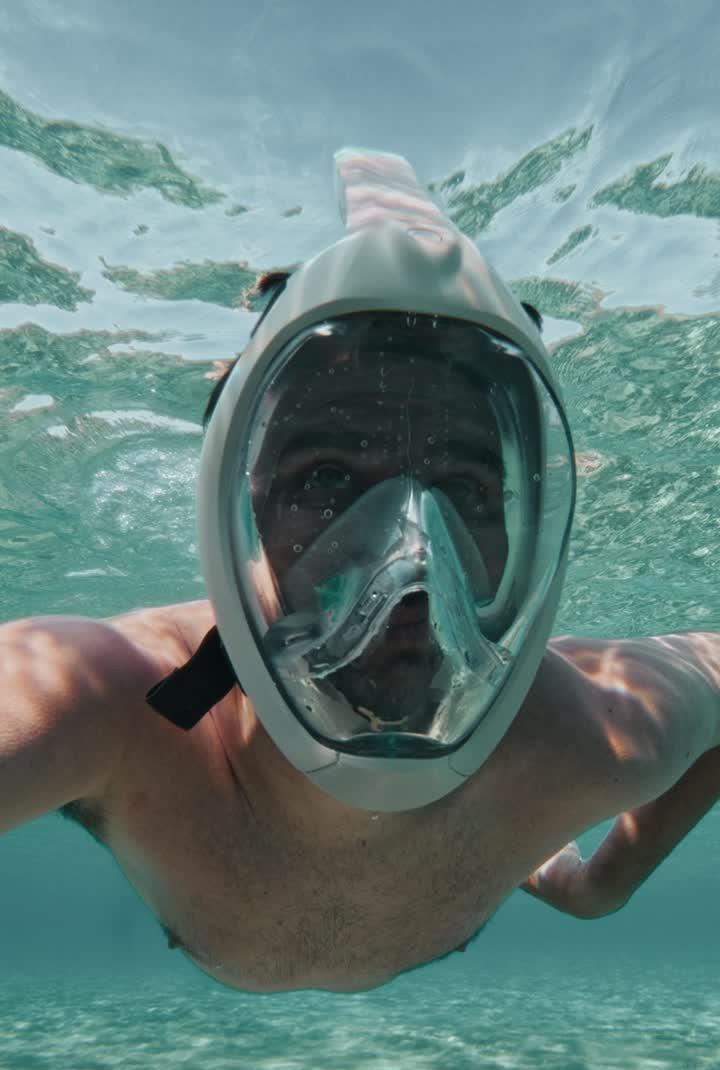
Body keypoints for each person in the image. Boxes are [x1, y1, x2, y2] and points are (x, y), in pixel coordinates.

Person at [1, 150, 718, 993]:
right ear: (240, 511)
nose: (410, 557)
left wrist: (601, 887)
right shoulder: (108, 702)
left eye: (462, 489)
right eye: (329, 480)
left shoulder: (588, 733)